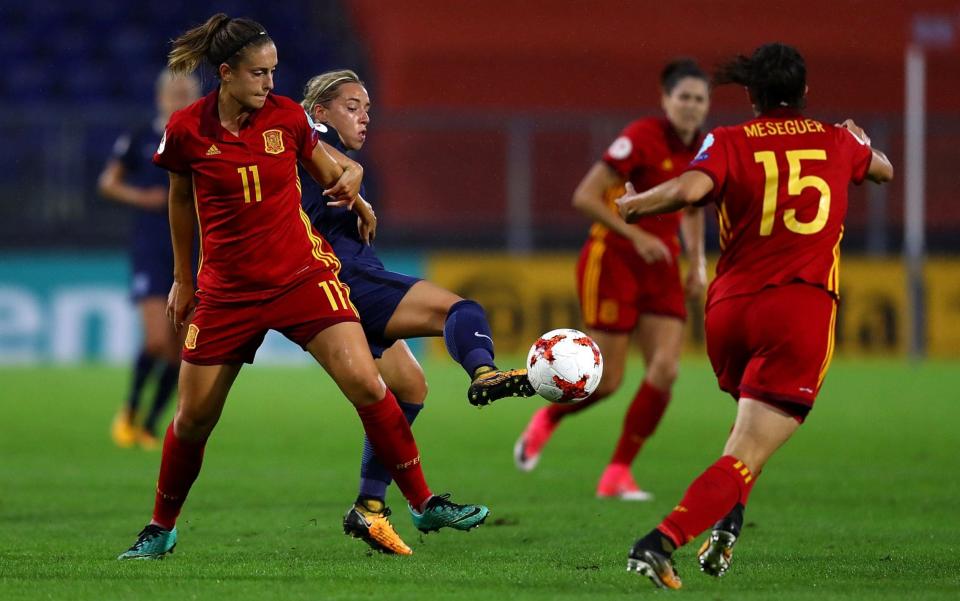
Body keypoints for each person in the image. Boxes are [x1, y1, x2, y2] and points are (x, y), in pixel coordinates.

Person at [118, 13, 489, 560]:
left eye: (273, 71)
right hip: (227, 290)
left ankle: (422, 501)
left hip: (302, 276)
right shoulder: (187, 130)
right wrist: (182, 278)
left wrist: (356, 195)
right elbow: (179, 201)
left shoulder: (286, 117)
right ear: (226, 73)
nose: (269, 83)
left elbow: (329, 170)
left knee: (368, 383)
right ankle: (160, 528)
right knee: (193, 419)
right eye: (258, 73)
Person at [615, 43, 893, 589]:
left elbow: (690, 191)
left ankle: (729, 522)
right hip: (799, 309)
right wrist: (863, 142)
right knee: (747, 451)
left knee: (747, 431)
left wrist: (635, 203)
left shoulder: (727, 140)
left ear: (751, 95)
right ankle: (661, 541)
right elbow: (882, 171)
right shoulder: (838, 141)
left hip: (731, 312)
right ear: (805, 92)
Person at [299, 70, 534, 555]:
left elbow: (334, 177)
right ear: (320, 111)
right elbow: (333, 165)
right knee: (460, 309)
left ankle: (370, 507)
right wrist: (358, 187)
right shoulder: (309, 136)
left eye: (368, 108)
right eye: (351, 106)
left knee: (408, 385)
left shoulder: (316, 154)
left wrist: (359, 198)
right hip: (348, 278)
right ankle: (484, 372)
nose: (364, 116)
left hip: (340, 278)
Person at [514, 59, 709, 500]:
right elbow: (584, 196)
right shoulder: (641, 137)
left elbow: (695, 207)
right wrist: (635, 234)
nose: (692, 107)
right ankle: (548, 419)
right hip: (614, 259)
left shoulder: (705, 149)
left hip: (662, 263)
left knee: (666, 369)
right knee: (610, 380)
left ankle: (618, 471)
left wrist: (697, 262)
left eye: (700, 99)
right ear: (665, 100)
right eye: (684, 97)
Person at [100, 70, 200, 450]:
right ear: (160, 97)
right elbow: (107, 182)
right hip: (152, 246)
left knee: (180, 349)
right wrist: (142, 198)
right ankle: (129, 407)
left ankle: (150, 425)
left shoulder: (202, 140)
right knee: (157, 340)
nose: (179, 100)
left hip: (191, 250)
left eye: (186, 94)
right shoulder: (142, 135)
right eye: (174, 93)